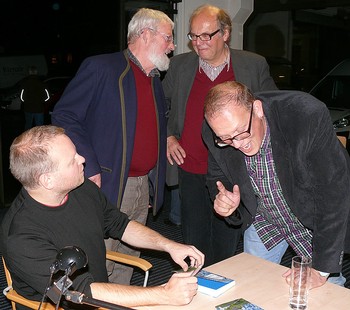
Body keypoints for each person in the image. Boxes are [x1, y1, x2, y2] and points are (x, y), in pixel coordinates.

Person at [1, 125, 204, 310]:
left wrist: (168, 245)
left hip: (98, 296)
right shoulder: (20, 235)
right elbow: (81, 292)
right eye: (72, 160)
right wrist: (164, 294)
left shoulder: (82, 189)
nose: (83, 159)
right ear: (47, 180)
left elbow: (121, 225)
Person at [51, 8, 175, 285]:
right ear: (145, 34)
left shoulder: (154, 79)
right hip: (109, 183)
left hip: (142, 184)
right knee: (101, 258)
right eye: (168, 37)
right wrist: (91, 167)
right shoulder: (102, 67)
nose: (172, 45)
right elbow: (65, 115)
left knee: (129, 256)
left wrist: (153, 181)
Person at [202, 81, 350, 289]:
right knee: (253, 285)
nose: (237, 144)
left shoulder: (305, 116)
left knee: (325, 289)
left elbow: (332, 194)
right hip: (264, 217)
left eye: (241, 132)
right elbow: (217, 178)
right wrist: (226, 201)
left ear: (258, 109)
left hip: (310, 215)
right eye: (226, 139)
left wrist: (320, 269)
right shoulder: (218, 131)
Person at [162, 4, 277, 265]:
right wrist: (169, 136)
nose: (198, 43)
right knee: (194, 241)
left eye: (206, 35)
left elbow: (269, 109)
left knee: (227, 240)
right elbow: (160, 105)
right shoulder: (180, 66)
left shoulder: (252, 65)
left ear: (225, 33)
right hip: (190, 167)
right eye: (193, 36)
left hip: (233, 169)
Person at [20, 65, 50, 130]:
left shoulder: (25, 83)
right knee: (39, 127)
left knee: (28, 126)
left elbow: (22, 97)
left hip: (28, 108)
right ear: (36, 72)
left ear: (29, 72)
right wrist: (42, 102)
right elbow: (47, 97)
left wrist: (26, 102)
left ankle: (27, 139)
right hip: (39, 108)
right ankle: (39, 140)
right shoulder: (42, 83)